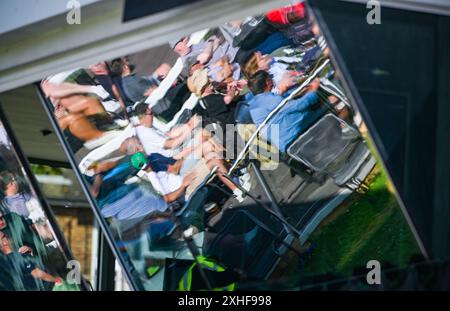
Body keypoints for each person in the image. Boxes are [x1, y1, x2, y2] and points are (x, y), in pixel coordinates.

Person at [247, 70, 325, 152]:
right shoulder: (270, 100)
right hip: (297, 135)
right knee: (331, 100)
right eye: (270, 78)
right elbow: (299, 105)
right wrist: (313, 91)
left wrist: (301, 90)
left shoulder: (254, 105)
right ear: (268, 82)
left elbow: (283, 102)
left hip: (285, 144)